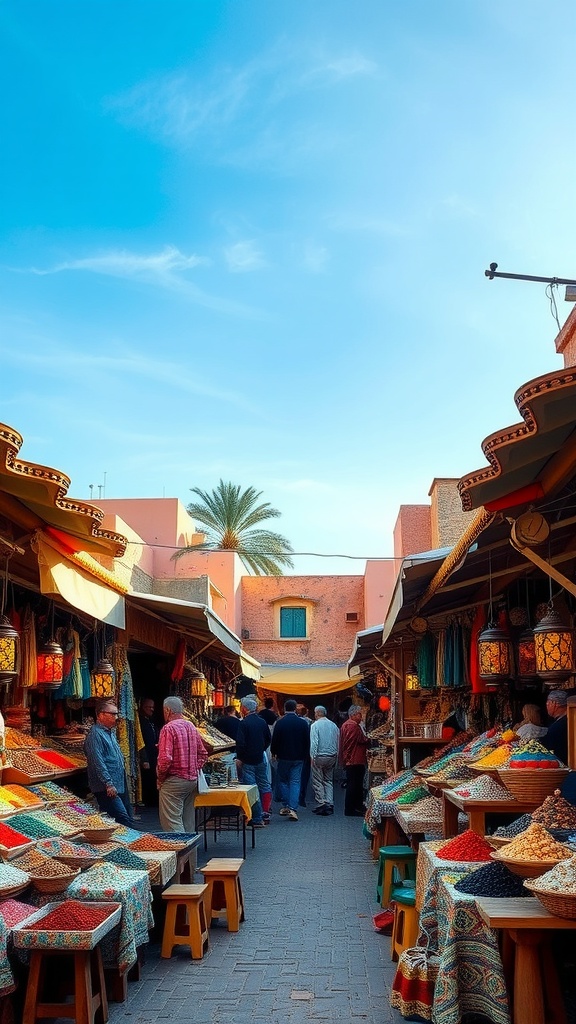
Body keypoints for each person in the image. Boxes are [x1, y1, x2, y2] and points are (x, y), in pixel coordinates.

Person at [156, 695, 208, 832]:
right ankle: (190, 853)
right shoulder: (191, 726)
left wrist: (160, 779)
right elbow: (203, 754)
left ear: (167, 710)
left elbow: (165, 759)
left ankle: (180, 851)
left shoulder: (168, 728)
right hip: (192, 780)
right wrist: (193, 769)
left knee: (172, 822)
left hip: (175, 781)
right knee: (188, 821)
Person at [84, 700, 135, 827]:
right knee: (122, 818)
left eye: (116, 714)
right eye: (112, 714)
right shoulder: (95, 735)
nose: (116, 717)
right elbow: (97, 761)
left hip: (118, 783)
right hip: (106, 787)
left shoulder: (110, 732)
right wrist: (108, 783)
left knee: (125, 817)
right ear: (100, 715)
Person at [270, 699, 310, 821]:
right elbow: (307, 741)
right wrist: (305, 754)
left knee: (283, 781)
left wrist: (274, 752)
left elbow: (275, 740)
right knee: (295, 781)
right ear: (295, 709)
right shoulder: (303, 723)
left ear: (285, 708)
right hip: (299, 757)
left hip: (284, 757)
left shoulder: (280, 723)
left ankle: (286, 805)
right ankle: (293, 807)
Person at [235, 696, 272, 827]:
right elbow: (268, 739)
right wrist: (261, 748)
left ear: (244, 709)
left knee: (252, 788)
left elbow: (240, 743)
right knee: (264, 784)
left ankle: (256, 817)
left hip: (248, 760)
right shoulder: (262, 722)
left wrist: (239, 757)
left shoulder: (243, 723)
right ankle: (266, 813)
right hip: (260, 757)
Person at [309, 705, 339, 816]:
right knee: (328, 780)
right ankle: (329, 802)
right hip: (331, 756)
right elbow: (337, 741)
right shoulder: (333, 725)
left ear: (316, 713)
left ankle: (321, 803)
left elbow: (314, 742)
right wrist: (337, 756)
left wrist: (312, 756)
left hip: (319, 756)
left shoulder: (315, 725)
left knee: (318, 781)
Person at [339, 704, 369, 816]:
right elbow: (353, 742)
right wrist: (367, 739)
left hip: (352, 760)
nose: (361, 717)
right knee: (354, 784)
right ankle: (351, 809)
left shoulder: (347, 725)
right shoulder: (353, 726)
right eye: (359, 714)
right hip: (355, 760)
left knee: (354, 784)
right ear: (353, 715)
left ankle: (355, 807)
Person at [138, 697, 159, 806]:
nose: (151, 709)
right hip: (147, 756)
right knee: (148, 778)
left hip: (154, 755)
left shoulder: (150, 721)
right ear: (142, 707)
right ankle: (148, 801)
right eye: (148, 707)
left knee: (153, 777)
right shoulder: (140, 722)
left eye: (152, 707)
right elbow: (140, 741)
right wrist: (144, 758)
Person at [543, 690, 568, 764]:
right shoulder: (562, 720)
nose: (546, 705)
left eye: (548, 702)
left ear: (555, 703)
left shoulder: (561, 724)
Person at [296, 704, 313, 806]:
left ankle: (295, 797)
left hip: (296, 752)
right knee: (304, 776)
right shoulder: (310, 722)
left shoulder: (296, 723)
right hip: (305, 753)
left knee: (295, 776)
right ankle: (301, 797)